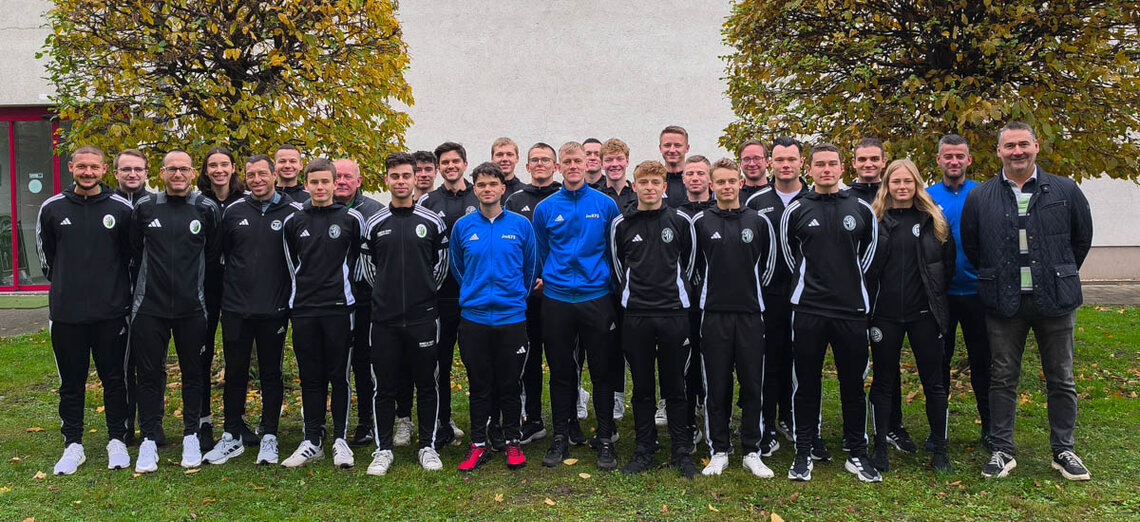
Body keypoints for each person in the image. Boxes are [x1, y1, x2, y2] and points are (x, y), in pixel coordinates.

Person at [961, 121, 1094, 481]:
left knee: (1061, 378)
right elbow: (973, 246)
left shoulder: (1065, 189)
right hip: (1004, 302)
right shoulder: (981, 197)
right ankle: (1002, 450)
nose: (1017, 151)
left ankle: (1063, 450)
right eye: (1009, 146)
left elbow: (1080, 240)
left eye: (1023, 144)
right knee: (1002, 377)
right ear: (999, 152)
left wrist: (1058, 273)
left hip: (1055, 299)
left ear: (1036, 146)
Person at [780, 143, 881, 483]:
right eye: (820, 164)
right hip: (808, 309)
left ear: (842, 168)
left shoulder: (861, 209)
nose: (826, 170)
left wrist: (848, 284)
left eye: (832, 164)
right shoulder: (796, 209)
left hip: (851, 310)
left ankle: (857, 453)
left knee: (853, 383)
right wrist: (812, 283)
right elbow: (790, 256)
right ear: (809, 169)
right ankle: (803, 451)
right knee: (806, 383)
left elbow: (868, 256)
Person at [37, 145, 134, 475]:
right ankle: (73, 444)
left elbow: (129, 256)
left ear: (105, 169)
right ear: (71, 168)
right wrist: (70, 285)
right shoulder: (52, 208)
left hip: (112, 313)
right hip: (67, 314)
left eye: (94, 167)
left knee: (114, 379)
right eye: (82, 166)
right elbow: (47, 258)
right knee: (71, 382)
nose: (88, 172)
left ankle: (117, 440)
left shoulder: (121, 208)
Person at [203, 154, 301, 466]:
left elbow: (298, 260)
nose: (257, 180)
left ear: (274, 175)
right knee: (235, 372)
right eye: (250, 175)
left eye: (262, 174)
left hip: (274, 308)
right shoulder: (233, 211)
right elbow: (222, 256)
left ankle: (269, 434)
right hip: (236, 308)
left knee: (271, 373)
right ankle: (231, 434)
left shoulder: (293, 213)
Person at [129, 150, 222, 473]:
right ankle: (148, 438)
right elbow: (133, 251)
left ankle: (191, 435)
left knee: (193, 373)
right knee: (149, 374)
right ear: (162, 173)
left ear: (193, 173)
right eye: (172, 169)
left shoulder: (206, 208)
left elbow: (213, 256)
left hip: (192, 307)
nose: (178, 174)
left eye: (184, 169)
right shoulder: (145, 207)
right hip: (149, 307)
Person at [532, 142, 622, 470]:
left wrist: (607, 285)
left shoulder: (605, 205)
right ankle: (560, 436)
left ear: (587, 164)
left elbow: (614, 250)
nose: (573, 166)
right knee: (560, 371)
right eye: (567, 161)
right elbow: (541, 251)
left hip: (596, 297)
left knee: (602, 371)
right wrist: (547, 279)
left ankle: (606, 438)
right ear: (559, 167)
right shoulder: (545, 209)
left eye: (578, 161)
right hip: (557, 300)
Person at [610, 160, 698, 478]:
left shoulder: (680, 221)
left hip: (674, 313)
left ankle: (681, 450)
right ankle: (644, 449)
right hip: (636, 315)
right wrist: (632, 295)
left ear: (664, 187)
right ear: (634, 186)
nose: (649, 187)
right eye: (643, 182)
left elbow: (690, 264)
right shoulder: (621, 223)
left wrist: (676, 294)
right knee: (643, 386)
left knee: (675, 385)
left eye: (655, 182)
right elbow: (617, 267)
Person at [363, 152, 449, 475]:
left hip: (422, 317)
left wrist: (423, 293)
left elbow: (441, 267)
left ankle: (427, 445)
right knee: (384, 387)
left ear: (415, 179)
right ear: (387, 180)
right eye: (395, 176)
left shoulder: (432, 221)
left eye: (406, 176)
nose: (401, 181)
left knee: (427, 383)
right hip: (384, 320)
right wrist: (385, 295)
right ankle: (383, 449)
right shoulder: (374, 223)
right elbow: (368, 269)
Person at [690, 158, 777, 478]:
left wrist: (750, 294)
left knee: (753, 383)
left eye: (731, 181)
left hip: (751, 315)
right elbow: (692, 267)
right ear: (711, 185)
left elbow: (769, 267)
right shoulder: (700, 222)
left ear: (740, 183)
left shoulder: (758, 221)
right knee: (717, 385)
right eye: (720, 182)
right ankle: (719, 450)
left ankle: (752, 450)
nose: (726, 186)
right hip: (714, 315)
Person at [867, 159, 955, 474]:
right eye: (896, 182)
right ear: (887, 186)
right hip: (885, 316)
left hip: (924, 315)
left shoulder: (933, 220)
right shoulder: (875, 221)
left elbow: (946, 267)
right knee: (883, 381)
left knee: (934, 383)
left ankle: (940, 449)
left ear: (916, 184)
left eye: (908, 181)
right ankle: (879, 447)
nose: (902, 187)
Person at [450, 162, 538, 472]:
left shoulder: (520, 225)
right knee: (479, 384)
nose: (487, 189)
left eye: (492, 184)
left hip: (511, 318)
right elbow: (458, 268)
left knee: (510, 383)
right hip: (474, 319)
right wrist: (474, 293)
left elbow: (530, 269)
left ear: (502, 188)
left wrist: (514, 298)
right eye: (481, 185)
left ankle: (512, 440)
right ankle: (478, 444)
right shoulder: (463, 227)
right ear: (475, 190)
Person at [280, 159, 364, 469]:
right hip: (304, 309)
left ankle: (340, 439)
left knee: (339, 376)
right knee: (310, 377)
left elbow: (360, 262)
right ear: (306, 184)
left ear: (334, 183)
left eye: (325, 182)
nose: (320, 187)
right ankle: (312, 440)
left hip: (339, 308)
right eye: (314, 182)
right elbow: (290, 265)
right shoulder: (293, 221)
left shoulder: (351, 219)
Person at [926, 134, 992, 451]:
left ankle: (990, 428)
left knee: (984, 363)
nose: (954, 161)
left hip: (978, 292)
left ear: (969, 160)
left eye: (959, 156)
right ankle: (938, 430)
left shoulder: (984, 193)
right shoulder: (927, 197)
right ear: (939, 160)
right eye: (948, 156)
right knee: (939, 363)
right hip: (942, 295)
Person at [746, 137, 809, 457]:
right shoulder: (757, 201)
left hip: (808, 295)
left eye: (791, 159)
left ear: (801, 163)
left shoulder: (814, 199)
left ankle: (794, 419)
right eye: (780, 160)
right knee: (769, 359)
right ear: (771, 163)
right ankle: (767, 425)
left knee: (801, 361)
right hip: (768, 293)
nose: (786, 165)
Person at [418, 141, 478, 446]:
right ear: (439, 168)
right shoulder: (427, 201)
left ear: (465, 164)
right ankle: (443, 422)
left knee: (477, 361)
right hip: (440, 296)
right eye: (445, 162)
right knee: (438, 362)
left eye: (456, 161)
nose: (451, 166)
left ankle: (484, 421)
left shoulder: (479, 195)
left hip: (475, 295)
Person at [504, 142, 563, 445]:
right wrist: (529, 281)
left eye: (546, 159)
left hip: (557, 292)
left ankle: (567, 421)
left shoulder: (564, 196)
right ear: (526, 167)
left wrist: (548, 279)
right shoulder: (515, 200)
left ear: (556, 166)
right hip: (525, 294)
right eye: (535, 160)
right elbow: (509, 247)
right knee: (528, 359)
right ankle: (534, 419)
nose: (540, 164)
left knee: (561, 359)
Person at [196, 146, 247, 452]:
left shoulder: (245, 200)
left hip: (238, 289)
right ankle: (203, 420)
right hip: (204, 288)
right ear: (205, 170)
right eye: (212, 165)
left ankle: (236, 420)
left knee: (236, 357)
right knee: (201, 355)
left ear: (233, 168)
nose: (218, 170)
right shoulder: (197, 202)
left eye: (224, 164)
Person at [333, 158, 385, 448]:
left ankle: (366, 422)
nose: (341, 181)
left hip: (365, 299)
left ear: (359, 181)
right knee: (334, 363)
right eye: (337, 176)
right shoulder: (317, 209)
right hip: (330, 300)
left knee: (364, 363)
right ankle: (327, 423)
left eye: (347, 177)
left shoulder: (374, 211)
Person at [111, 148, 157, 446]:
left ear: (146, 173)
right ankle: (126, 423)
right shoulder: (108, 203)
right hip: (115, 294)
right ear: (115, 172)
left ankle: (154, 424)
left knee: (153, 364)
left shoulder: (156, 204)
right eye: (126, 169)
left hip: (152, 295)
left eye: (138, 169)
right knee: (123, 363)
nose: (132, 174)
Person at [676, 155, 716, 448]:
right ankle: (688, 419)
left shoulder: (719, 211)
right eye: (690, 173)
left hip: (717, 298)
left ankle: (715, 417)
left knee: (714, 360)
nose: (695, 178)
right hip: (686, 299)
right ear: (684, 178)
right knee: (687, 361)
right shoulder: (675, 213)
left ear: (709, 179)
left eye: (700, 173)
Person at [599, 138, 636, 212]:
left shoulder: (639, 196)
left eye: (619, 159)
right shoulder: (595, 197)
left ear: (627, 161)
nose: (615, 164)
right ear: (602, 164)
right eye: (609, 160)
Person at [658, 126, 690, 207]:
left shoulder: (696, 181)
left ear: (687, 148)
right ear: (660, 148)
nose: (672, 150)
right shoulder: (654, 181)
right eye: (667, 145)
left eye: (677, 145)